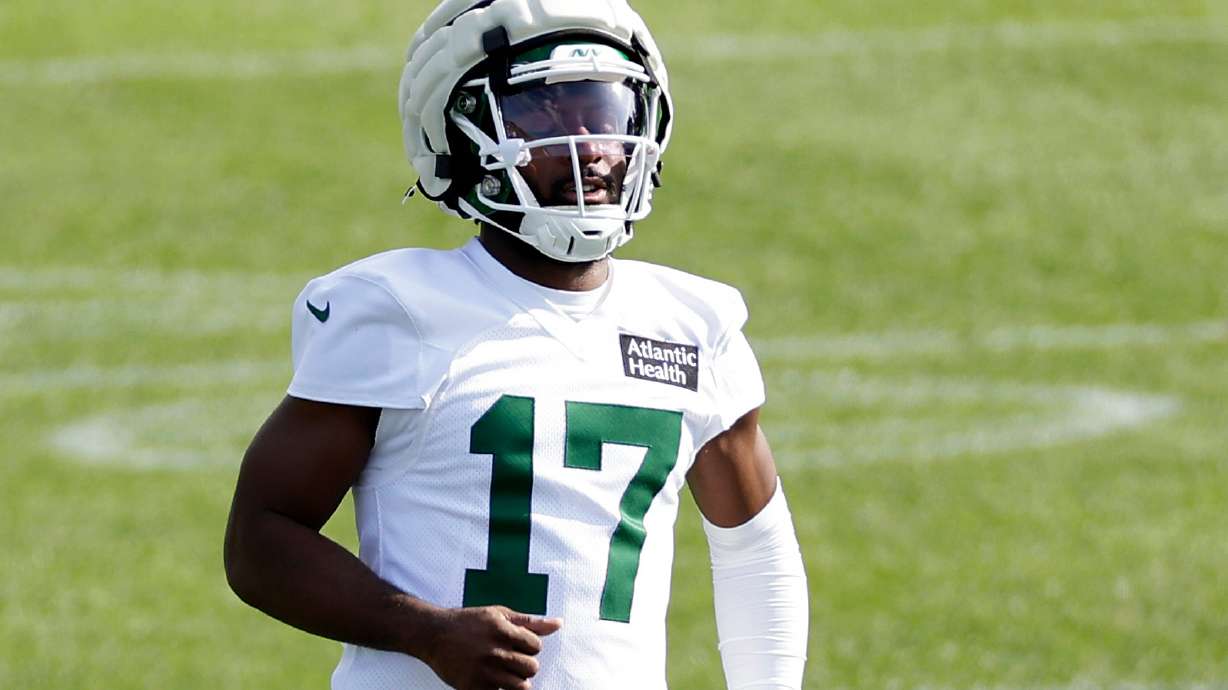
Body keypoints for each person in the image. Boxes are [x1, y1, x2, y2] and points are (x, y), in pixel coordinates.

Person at [222, 1, 809, 688]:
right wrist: (424, 630)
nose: (589, 144)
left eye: (606, 112)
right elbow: (260, 539)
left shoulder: (691, 325)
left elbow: (754, 550)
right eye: (546, 114)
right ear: (459, 137)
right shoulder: (399, 310)